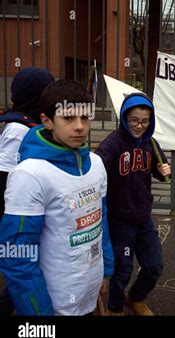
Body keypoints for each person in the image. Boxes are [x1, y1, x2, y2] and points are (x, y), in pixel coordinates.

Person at [0, 80, 114, 315]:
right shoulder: (29, 175)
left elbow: (100, 223)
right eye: (69, 118)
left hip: (89, 296)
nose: (80, 127)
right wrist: (39, 313)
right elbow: (18, 256)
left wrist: (106, 271)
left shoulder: (97, 164)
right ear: (47, 121)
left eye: (85, 117)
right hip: (53, 306)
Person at [95, 92, 170, 316]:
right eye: (134, 121)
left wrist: (164, 170)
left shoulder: (151, 143)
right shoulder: (113, 144)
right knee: (122, 270)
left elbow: (160, 171)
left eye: (145, 121)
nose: (139, 126)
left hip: (143, 217)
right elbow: (97, 167)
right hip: (119, 220)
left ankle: (134, 298)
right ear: (125, 119)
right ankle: (115, 308)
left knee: (154, 266)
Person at [0, 67, 55, 315]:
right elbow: (6, 176)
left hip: (29, 210)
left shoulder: (34, 122)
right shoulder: (17, 128)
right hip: (16, 215)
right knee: (22, 266)